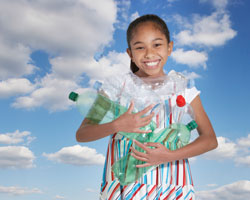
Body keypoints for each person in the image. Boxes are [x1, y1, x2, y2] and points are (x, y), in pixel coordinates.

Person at [76, 14, 218, 200]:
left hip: (172, 185)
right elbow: (82, 134)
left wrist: (168, 155)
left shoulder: (183, 89)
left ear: (170, 47)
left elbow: (210, 140)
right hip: (125, 186)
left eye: (157, 44)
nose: (149, 54)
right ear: (130, 54)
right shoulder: (115, 88)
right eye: (140, 47)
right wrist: (116, 125)